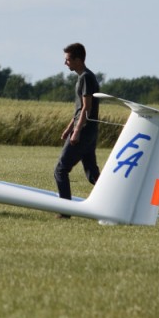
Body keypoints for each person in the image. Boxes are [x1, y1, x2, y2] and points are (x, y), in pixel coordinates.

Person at [53, 42, 101, 216]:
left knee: (60, 169)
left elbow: (87, 109)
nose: (65, 63)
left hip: (84, 131)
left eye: (67, 60)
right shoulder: (84, 77)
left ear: (78, 60)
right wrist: (69, 128)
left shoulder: (86, 78)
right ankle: (114, 197)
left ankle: (65, 210)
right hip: (88, 132)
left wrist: (77, 131)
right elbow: (79, 109)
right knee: (92, 173)